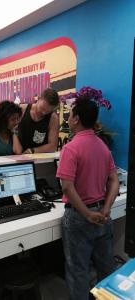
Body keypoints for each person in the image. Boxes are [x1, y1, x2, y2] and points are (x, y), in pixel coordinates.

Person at [56, 96, 119, 300]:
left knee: (78, 272)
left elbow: (66, 186)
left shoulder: (70, 148)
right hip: (103, 215)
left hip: (79, 219)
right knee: (106, 267)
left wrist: (86, 214)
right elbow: (114, 181)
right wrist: (106, 209)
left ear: (76, 119)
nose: (69, 117)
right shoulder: (103, 147)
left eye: (71, 113)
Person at [17, 88, 59, 153]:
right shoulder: (22, 109)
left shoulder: (53, 118)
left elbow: (52, 146)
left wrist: (33, 151)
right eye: (43, 108)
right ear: (39, 98)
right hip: (17, 155)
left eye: (48, 111)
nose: (44, 113)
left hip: (39, 158)